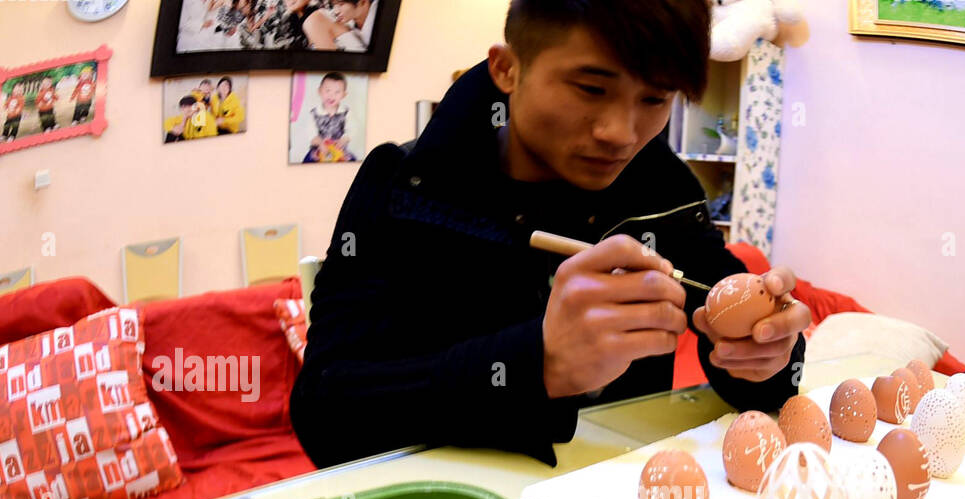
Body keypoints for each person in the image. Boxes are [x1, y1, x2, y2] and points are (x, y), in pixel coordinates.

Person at [290, 0, 808, 469]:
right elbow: (326, 413)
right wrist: (536, 365)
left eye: (654, 99)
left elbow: (734, 328)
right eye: (591, 88)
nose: (620, 133)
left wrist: (767, 357)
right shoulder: (404, 187)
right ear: (507, 68)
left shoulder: (662, 191)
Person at [303, 72, 356, 161]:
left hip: (339, 149)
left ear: (344, 95)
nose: (331, 95)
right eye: (327, 91)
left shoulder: (346, 112)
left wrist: (342, 141)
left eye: (337, 92)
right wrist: (320, 143)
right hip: (319, 150)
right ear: (319, 91)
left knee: (352, 162)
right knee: (308, 162)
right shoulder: (314, 113)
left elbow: (351, 130)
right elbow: (311, 135)